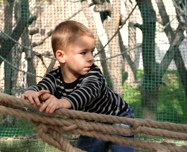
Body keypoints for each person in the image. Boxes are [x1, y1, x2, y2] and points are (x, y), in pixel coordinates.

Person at [21, 20, 135, 152]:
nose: (91, 58)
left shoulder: (93, 74)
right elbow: (42, 86)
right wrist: (32, 92)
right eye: (83, 53)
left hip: (118, 117)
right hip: (91, 124)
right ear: (61, 56)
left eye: (92, 52)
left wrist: (63, 102)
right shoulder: (55, 77)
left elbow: (87, 92)